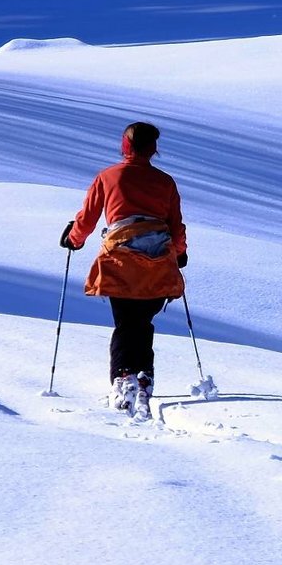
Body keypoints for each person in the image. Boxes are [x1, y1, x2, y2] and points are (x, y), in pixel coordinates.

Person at [60, 121, 188, 412]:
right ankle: (143, 376)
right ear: (153, 149)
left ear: (125, 145)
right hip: (159, 263)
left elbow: (88, 217)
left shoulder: (109, 177)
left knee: (126, 322)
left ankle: (123, 375)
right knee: (141, 322)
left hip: (121, 262)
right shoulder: (165, 182)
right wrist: (179, 254)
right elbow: (175, 225)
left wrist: (73, 240)